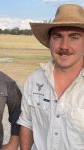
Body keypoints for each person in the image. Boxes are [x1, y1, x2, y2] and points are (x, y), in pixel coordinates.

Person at [17, 3, 84, 150]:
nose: (64, 46)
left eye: (74, 37)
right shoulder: (34, 80)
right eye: (57, 36)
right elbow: (27, 123)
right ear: (50, 41)